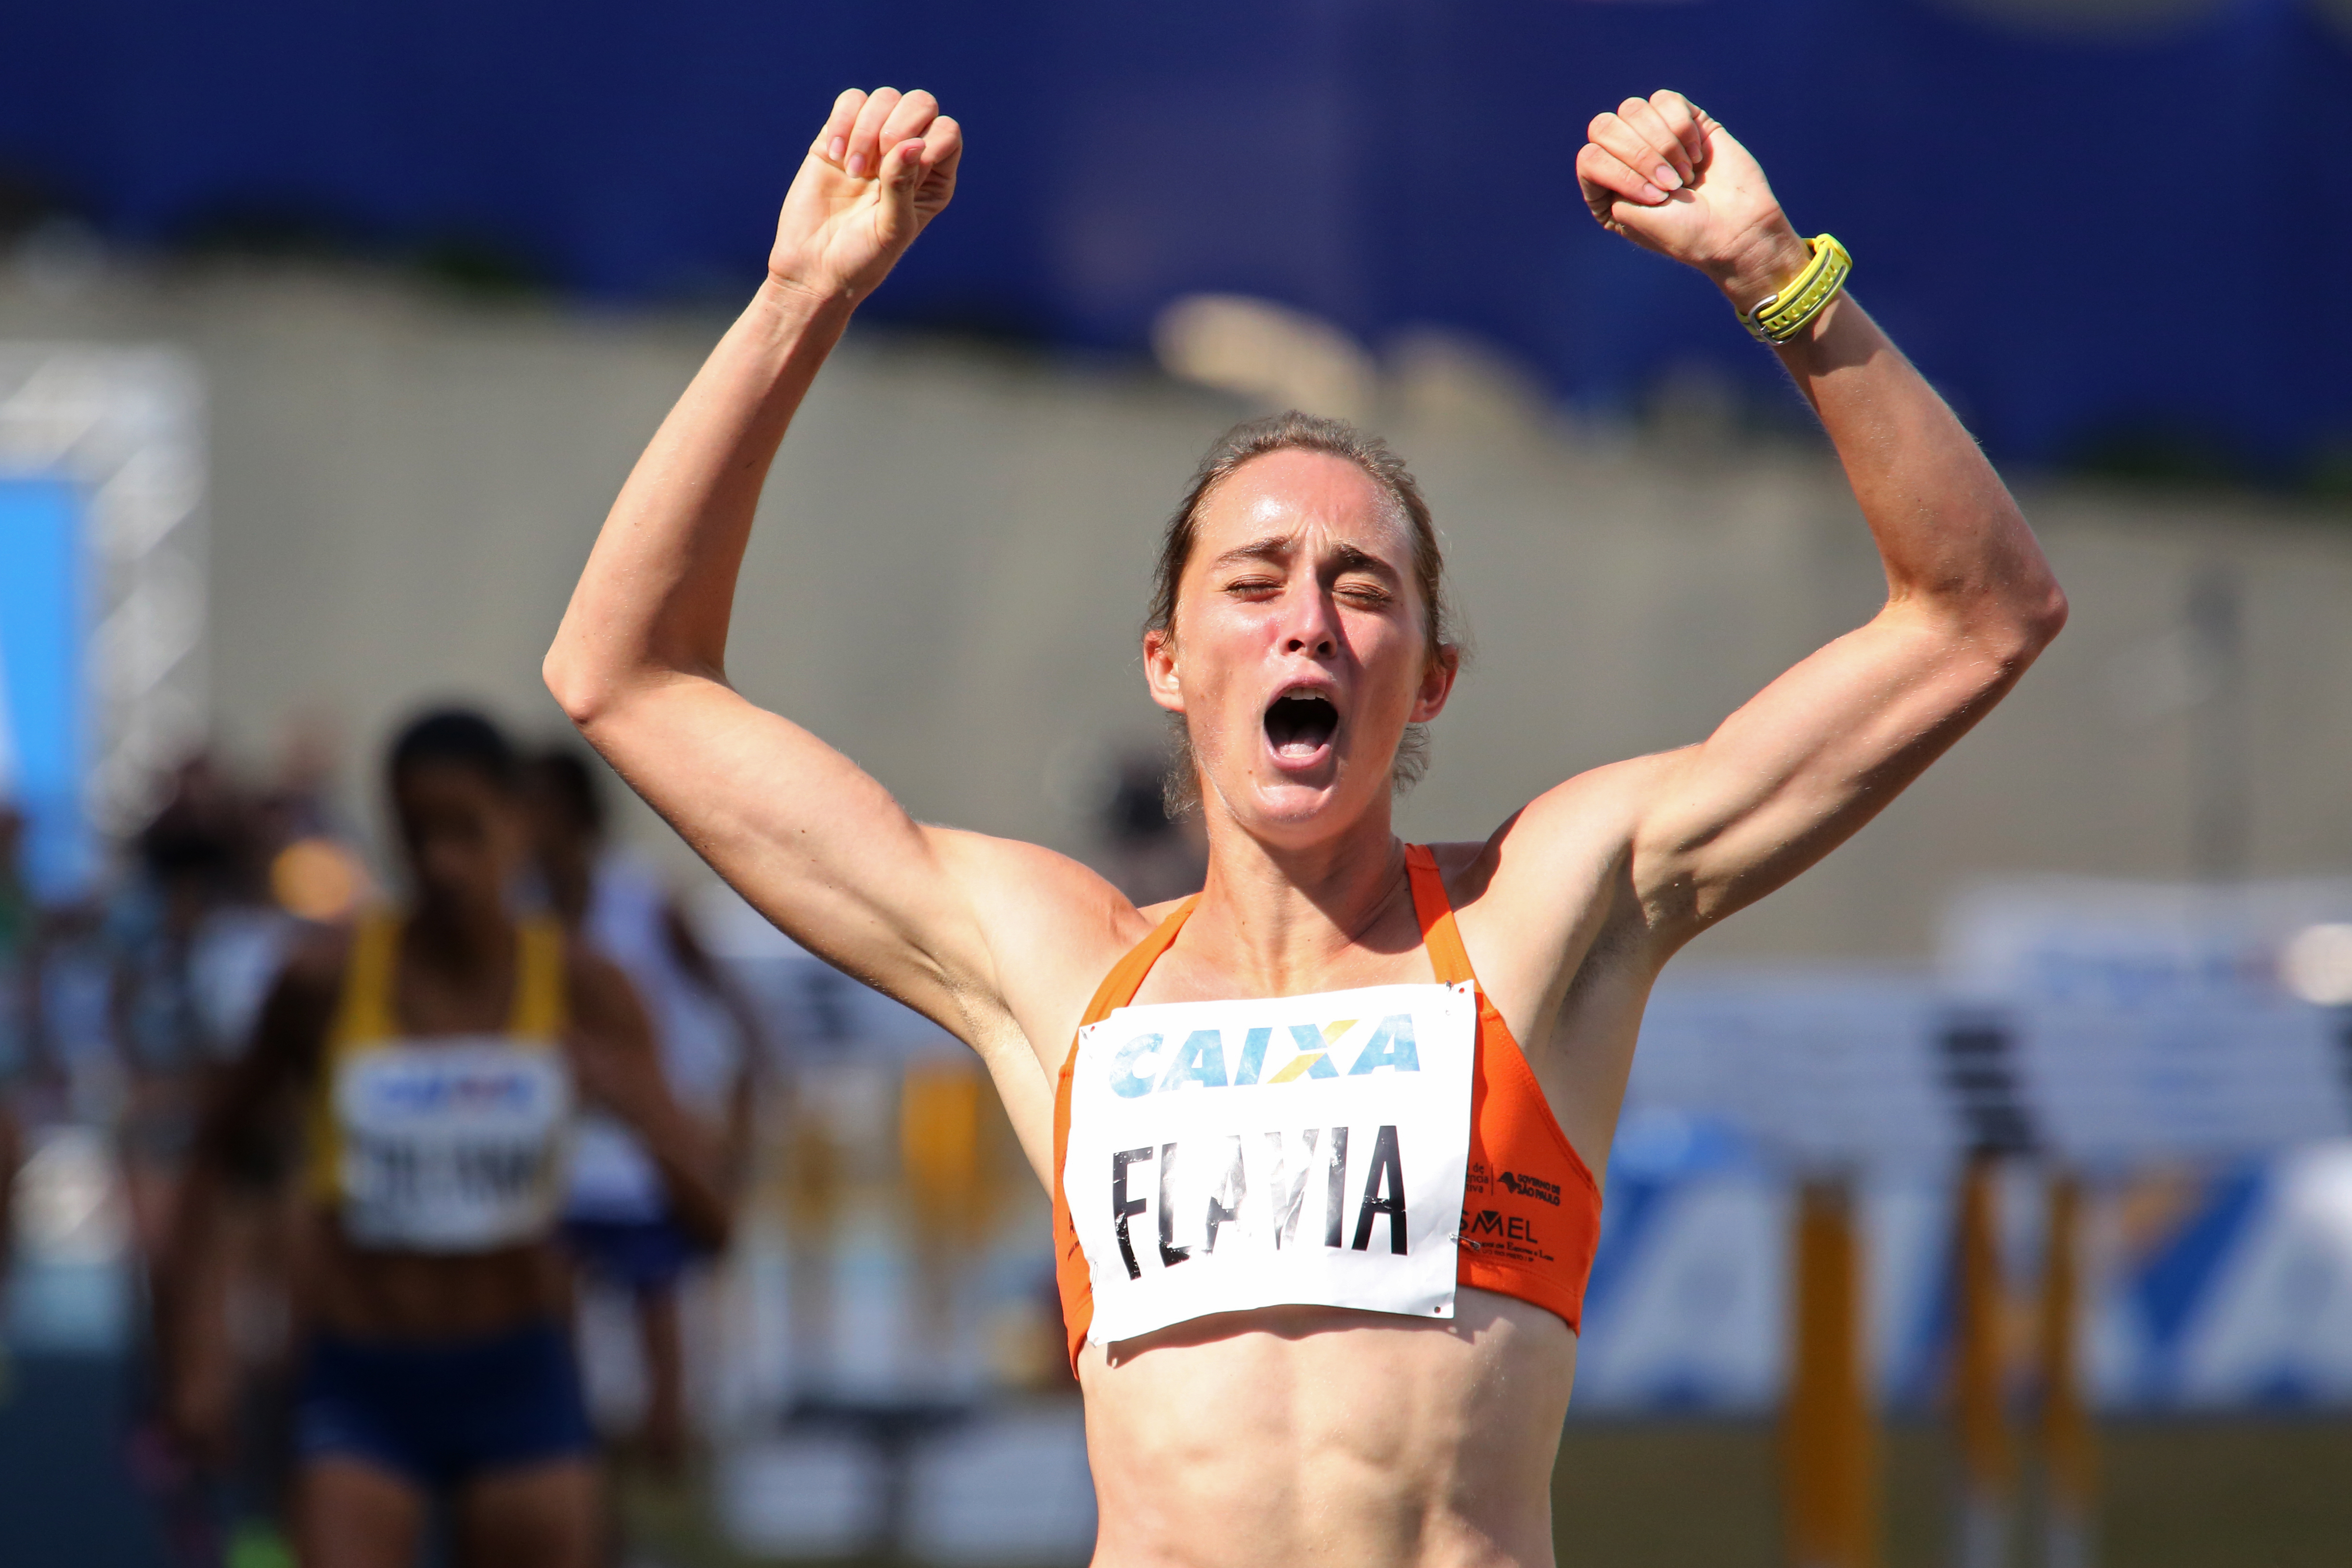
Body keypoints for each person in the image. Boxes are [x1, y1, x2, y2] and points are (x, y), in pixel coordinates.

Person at [543, 85, 2066, 1566]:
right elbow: (622, 676)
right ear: (1166, 663)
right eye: (1254, 582)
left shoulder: (1542, 912)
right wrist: (800, 294)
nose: (1308, 624)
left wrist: (1773, 276)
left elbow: (1977, 615)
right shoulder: (1058, 968)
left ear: (1428, 680)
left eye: (1360, 588)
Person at [166, 710, 730, 1568]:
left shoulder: (581, 987)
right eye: (416, 835)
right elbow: (215, 1158)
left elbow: (712, 1219)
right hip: (361, 1374)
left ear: (520, 822)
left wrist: (628, 1103)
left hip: (519, 1373)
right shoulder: (324, 981)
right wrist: (197, 1352)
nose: (441, 863)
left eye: (467, 832)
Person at [518, 745, 758, 1473]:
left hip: (646, 1150)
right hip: (553, 1159)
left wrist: (734, 1122)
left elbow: (739, 1015)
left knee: (662, 1336)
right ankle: (572, 1473)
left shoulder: (644, 903)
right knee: (549, 1340)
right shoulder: (511, 913)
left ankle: (666, 1476)